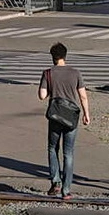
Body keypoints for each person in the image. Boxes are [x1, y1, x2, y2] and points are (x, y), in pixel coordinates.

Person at [37, 41, 91, 199]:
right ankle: (66, 190)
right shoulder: (75, 72)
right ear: (65, 55)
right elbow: (83, 96)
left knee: (53, 148)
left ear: (52, 57)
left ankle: (56, 182)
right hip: (71, 118)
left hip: (55, 116)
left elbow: (42, 95)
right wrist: (87, 114)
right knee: (69, 153)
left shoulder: (48, 73)